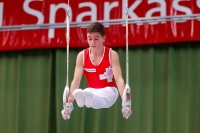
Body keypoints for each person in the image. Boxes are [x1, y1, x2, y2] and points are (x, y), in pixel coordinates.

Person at [61, 22, 132, 119]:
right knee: (85, 92)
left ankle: (87, 99)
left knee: (94, 94)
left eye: (96, 38)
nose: (92, 42)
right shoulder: (82, 56)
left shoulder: (112, 55)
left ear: (104, 38)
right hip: (91, 91)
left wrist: (126, 103)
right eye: (89, 38)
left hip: (110, 92)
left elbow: (119, 79)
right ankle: (84, 99)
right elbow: (76, 81)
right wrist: (69, 105)